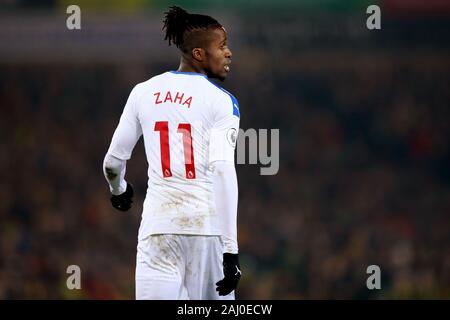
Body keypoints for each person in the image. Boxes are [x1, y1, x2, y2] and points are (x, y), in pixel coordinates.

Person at [102, 6, 241, 300]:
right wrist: (230, 251)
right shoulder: (222, 101)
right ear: (200, 54)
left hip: (158, 230)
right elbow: (222, 170)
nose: (229, 53)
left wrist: (119, 190)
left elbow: (113, 162)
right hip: (206, 231)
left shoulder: (143, 92)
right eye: (222, 46)